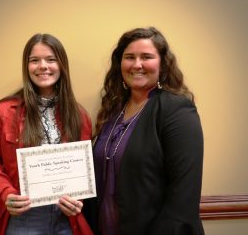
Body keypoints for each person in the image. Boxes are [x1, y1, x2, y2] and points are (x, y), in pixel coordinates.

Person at [86, 27, 205, 235]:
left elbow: (183, 195)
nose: (137, 64)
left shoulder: (176, 110)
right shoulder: (113, 111)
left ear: (162, 64)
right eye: (129, 57)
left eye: (146, 57)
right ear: (120, 64)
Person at [0, 33, 93, 235]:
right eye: (34, 60)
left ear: (62, 65)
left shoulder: (79, 115)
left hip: (65, 219)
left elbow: (82, 171)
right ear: (27, 66)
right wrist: (7, 193)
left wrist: (78, 200)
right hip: (24, 217)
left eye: (51, 59)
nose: (43, 66)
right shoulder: (4, 111)